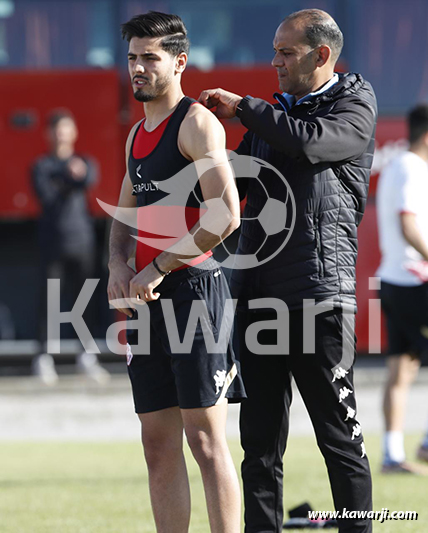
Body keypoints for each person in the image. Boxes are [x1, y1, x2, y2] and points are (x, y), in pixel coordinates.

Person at [199, 9, 377, 533]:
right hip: (258, 300)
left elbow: (310, 141)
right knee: (258, 448)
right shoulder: (272, 115)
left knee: (340, 442)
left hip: (321, 298)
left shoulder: (355, 103)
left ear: (322, 56)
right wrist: (188, 142)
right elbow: (232, 185)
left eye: (286, 52)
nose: (274, 61)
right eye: (275, 50)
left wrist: (244, 108)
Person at [107, 12, 246, 533]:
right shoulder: (136, 135)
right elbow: (124, 218)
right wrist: (119, 263)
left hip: (195, 292)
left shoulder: (196, 124)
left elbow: (225, 215)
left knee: (206, 441)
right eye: (132, 58)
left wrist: (160, 266)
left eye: (150, 57)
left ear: (179, 62)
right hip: (148, 297)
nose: (138, 68)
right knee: (156, 442)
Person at [32, 110, 110, 385]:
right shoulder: (41, 166)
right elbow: (47, 195)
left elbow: (87, 180)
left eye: (66, 129)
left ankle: (86, 356)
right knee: (50, 301)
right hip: (52, 242)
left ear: (74, 132)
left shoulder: (85, 162)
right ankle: (44, 356)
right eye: (56, 129)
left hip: (83, 242)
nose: (61, 134)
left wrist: (68, 177)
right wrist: (67, 177)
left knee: (85, 301)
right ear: (48, 134)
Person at [376, 104, 428, 474]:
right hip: (414, 279)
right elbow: (409, 224)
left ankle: (392, 454)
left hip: (393, 278)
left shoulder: (395, 164)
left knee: (401, 369)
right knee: (402, 370)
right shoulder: (413, 168)